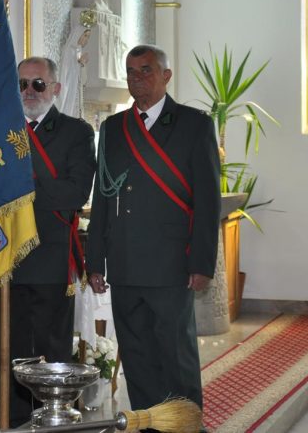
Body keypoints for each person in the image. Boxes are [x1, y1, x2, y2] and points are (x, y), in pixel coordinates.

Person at [86, 44, 220, 416]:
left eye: (145, 71)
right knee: (137, 354)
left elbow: (208, 201)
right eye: (131, 72)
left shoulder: (194, 124)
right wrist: (95, 260)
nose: (137, 79)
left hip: (171, 263)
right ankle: (150, 422)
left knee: (176, 353)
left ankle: (186, 424)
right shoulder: (113, 128)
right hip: (125, 260)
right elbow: (103, 196)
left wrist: (201, 262)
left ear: (166, 76)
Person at [0, 56, 96, 427]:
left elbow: (72, 195)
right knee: (11, 354)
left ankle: (54, 423)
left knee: (52, 354)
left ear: (56, 88)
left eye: (38, 84)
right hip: (3, 262)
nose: (28, 92)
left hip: (49, 262)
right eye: (21, 84)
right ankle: (16, 423)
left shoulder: (76, 133)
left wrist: (26, 158)